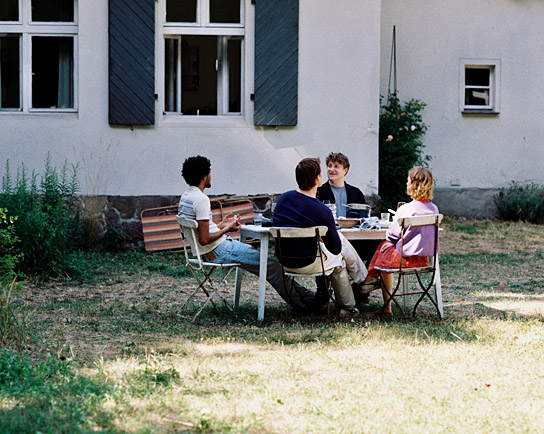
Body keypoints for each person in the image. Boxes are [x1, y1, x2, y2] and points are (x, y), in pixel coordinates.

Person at [177, 155, 318, 313]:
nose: (211, 175)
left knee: (270, 265)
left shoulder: (186, 197)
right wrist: (227, 228)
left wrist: (222, 224)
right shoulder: (201, 200)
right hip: (218, 251)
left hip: (208, 251)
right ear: (204, 176)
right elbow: (204, 239)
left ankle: (308, 298)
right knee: (270, 266)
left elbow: (200, 231)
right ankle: (305, 305)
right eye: (210, 172)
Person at [272, 157, 369, 317]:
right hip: (308, 261)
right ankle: (350, 304)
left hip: (285, 260)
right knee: (339, 261)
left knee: (338, 240)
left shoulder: (283, 199)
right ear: (318, 178)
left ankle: (363, 280)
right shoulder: (321, 210)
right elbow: (336, 249)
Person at [362, 166, 439, 316]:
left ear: (413, 184)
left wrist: (390, 238)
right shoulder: (434, 209)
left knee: (383, 247)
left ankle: (368, 285)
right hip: (423, 260)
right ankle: (367, 282)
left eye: (408, 180)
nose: (406, 183)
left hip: (404, 260)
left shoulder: (406, 209)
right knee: (384, 249)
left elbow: (392, 234)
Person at [317, 152, 366, 218]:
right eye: (330, 166)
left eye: (336, 166)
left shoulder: (356, 193)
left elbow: (364, 218)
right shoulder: (319, 191)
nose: (331, 169)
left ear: (345, 170)